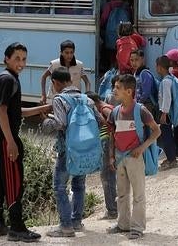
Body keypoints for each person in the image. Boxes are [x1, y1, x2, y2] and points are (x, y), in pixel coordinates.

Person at [0, 42, 51, 242]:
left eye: (24, 59)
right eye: (17, 58)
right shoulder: (8, 80)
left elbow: (16, 112)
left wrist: (43, 108)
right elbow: (1, 111)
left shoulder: (6, 78)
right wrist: (11, 142)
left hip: (0, 140)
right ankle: (17, 228)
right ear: (6, 58)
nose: (21, 63)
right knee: (14, 183)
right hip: (7, 141)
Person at [41, 68, 105, 237]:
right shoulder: (87, 99)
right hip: (84, 150)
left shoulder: (59, 99)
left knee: (59, 186)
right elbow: (100, 121)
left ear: (55, 82)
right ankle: (76, 222)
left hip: (66, 150)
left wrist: (46, 121)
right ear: (69, 80)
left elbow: (60, 123)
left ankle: (66, 226)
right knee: (79, 185)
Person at [106, 74, 161, 240]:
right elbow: (112, 135)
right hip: (119, 158)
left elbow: (157, 130)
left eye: (117, 88)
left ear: (129, 91)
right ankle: (123, 224)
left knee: (138, 194)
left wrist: (142, 148)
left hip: (135, 158)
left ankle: (137, 227)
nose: (114, 90)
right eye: (114, 87)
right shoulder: (114, 112)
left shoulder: (141, 111)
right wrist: (111, 156)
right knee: (121, 193)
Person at [86, 91, 118, 220]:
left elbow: (114, 126)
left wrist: (111, 151)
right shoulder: (108, 106)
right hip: (108, 144)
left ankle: (112, 211)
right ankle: (114, 208)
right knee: (109, 176)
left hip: (107, 144)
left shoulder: (104, 109)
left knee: (107, 177)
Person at [40, 40, 91, 104]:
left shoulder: (79, 65)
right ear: (61, 52)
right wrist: (43, 95)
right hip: (56, 99)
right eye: (66, 53)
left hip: (74, 100)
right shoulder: (55, 64)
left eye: (71, 52)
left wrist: (87, 96)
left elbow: (87, 82)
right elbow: (44, 77)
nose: (69, 55)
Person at [155, 55, 178, 170]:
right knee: (168, 135)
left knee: (166, 136)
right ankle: (171, 158)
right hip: (167, 112)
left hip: (166, 113)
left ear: (160, 67)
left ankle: (171, 160)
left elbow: (167, 98)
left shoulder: (165, 82)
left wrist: (164, 113)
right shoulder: (171, 78)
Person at [130, 49, 157, 117]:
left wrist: (139, 103)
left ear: (142, 59)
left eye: (136, 60)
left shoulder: (145, 74)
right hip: (140, 104)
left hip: (147, 105)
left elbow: (146, 93)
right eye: (131, 60)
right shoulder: (136, 73)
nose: (134, 63)